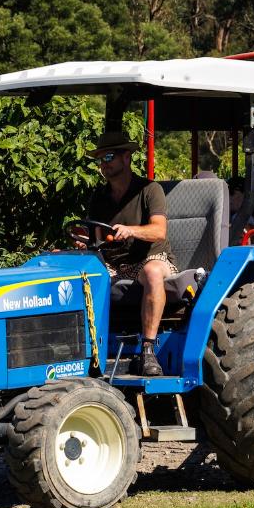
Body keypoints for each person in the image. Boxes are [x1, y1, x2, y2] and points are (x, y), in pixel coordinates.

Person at [73, 130, 177, 377]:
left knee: (152, 272)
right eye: (100, 159)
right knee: (73, 274)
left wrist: (131, 230)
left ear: (127, 157)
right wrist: (83, 242)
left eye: (108, 156)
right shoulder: (99, 195)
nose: (103, 164)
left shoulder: (150, 190)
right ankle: (80, 349)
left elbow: (159, 231)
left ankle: (148, 350)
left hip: (151, 259)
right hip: (113, 264)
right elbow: (96, 237)